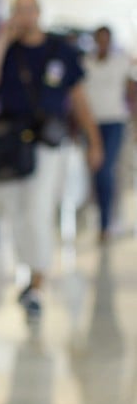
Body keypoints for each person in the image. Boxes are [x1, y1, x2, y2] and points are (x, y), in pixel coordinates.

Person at [0, 0, 102, 318]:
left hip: (49, 143)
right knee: (17, 211)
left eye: (30, 10)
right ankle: (30, 274)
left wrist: (94, 140)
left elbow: (78, 99)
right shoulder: (9, 52)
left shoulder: (61, 51)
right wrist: (3, 40)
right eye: (19, 11)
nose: (25, 16)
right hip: (15, 144)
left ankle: (37, 283)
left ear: (39, 13)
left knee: (38, 209)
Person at [83, 25, 135, 243]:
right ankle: (102, 218)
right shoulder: (86, 62)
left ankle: (106, 222)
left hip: (115, 122)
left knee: (106, 169)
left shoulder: (121, 62)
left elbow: (132, 90)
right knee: (96, 172)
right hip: (91, 123)